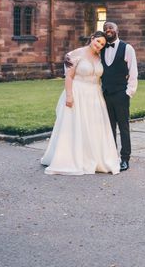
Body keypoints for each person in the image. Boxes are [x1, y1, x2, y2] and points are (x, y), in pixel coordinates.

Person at [40, 31, 120, 175]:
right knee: (76, 126)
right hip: (78, 92)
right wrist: (69, 96)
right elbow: (69, 77)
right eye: (98, 42)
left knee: (93, 127)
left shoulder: (100, 57)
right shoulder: (75, 54)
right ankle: (72, 158)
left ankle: (93, 157)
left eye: (102, 44)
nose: (99, 45)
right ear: (92, 38)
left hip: (95, 96)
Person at [101, 21, 138, 172]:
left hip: (121, 94)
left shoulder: (127, 48)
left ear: (117, 30)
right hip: (106, 95)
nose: (108, 30)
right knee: (109, 128)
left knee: (123, 127)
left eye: (110, 28)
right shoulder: (101, 48)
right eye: (105, 28)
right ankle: (112, 157)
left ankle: (125, 159)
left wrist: (129, 92)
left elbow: (133, 71)